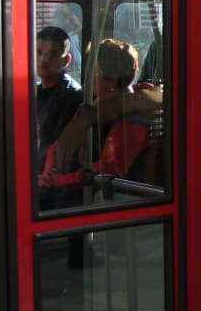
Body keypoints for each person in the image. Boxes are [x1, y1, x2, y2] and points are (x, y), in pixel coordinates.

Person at [39, 39, 162, 198]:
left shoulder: (133, 118)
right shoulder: (94, 108)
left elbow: (110, 168)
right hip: (76, 186)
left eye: (94, 74)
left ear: (112, 79)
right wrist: (49, 171)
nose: (87, 80)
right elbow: (57, 146)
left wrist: (60, 181)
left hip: (110, 198)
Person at [34, 27, 84, 210]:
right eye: (38, 52)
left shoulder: (71, 97)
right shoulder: (34, 92)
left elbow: (55, 147)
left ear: (66, 60)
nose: (43, 60)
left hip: (55, 189)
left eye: (52, 55)